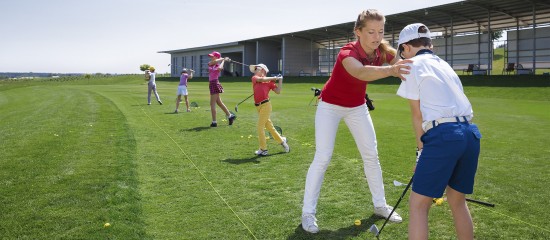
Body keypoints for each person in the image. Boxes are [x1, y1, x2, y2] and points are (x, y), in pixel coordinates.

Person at [300, 9, 413, 234]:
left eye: (380, 31)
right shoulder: (346, 52)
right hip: (330, 106)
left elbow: (405, 61)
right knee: (323, 157)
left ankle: (380, 205)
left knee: (371, 155)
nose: (376, 36)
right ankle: (308, 212)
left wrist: (421, 58)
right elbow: (360, 72)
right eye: (371, 31)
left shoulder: (382, 50)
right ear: (358, 32)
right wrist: (391, 69)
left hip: (357, 108)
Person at [395, 23, 481, 240]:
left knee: (418, 205)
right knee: (457, 200)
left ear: (405, 47)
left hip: (444, 135)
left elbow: (417, 115)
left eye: (401, 52)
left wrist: (420, 150)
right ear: (429, 44)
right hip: (470, 133)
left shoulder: (411, 64)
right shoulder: (444, 64)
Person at [249, 63, 290, 156]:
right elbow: (261, 79)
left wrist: (280, 80)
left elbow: (278, 91)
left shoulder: (270, 82)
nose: (255, 70)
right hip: (258, 107)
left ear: (263, 70)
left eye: (257, 68)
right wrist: (274, 78)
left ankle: (263, 149)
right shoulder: (255, 78)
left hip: (266, 105)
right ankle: (282, 142)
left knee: (260, 127)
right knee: (269, 127)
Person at [207, 51, 236, 127]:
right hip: (211, 84)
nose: (211, 57)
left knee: (212, 104)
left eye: (213, 56)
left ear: (217, 57)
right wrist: (224, 59)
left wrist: (223, 60)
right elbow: (214, 62)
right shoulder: (210, 63)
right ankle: (230, 116)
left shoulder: (218, 65)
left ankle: (214, 122)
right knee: (219, 102)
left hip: (215, 83)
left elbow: (220, 68)